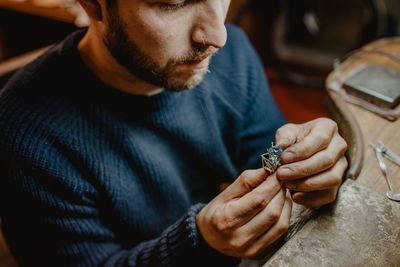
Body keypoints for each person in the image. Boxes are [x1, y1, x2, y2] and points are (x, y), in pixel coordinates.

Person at [0, 0, 348, 266]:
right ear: (92, 4)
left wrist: (312, 167)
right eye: (172, 3)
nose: (218, 36)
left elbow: (265, 156)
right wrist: (200, 245)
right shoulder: (24, 135)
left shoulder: (234, 55)